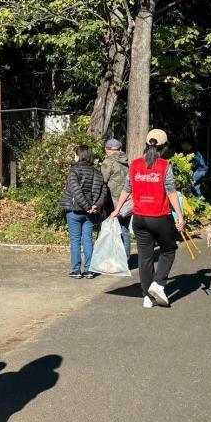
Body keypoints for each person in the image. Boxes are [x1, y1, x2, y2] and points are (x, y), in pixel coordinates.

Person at [109, 129, 185, 308]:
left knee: (145, 256)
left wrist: (117, 210)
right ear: (164, 147)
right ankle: (158, 284)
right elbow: (171, 191)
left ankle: (146, 296)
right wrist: (180, 216)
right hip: (159, 217)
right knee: (168, 250)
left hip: (140, 218)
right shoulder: (165, 165)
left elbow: (127, 189)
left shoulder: (135, 164)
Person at [59, 145, 108, 279]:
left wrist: (86, 206)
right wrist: (95, 206)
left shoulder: (73, 171)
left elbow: (76, 191)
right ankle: (89, 270)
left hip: (75, 211)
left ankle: (76, 270)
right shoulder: (97, 173)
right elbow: (103, 192)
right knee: (88, 239)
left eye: (75, 154)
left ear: (79, 155)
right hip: (91, 213)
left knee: (75, 240)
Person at [100, 138, 131, 258]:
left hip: (112, 201)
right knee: (124, 230)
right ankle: (125, 259)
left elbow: (103, 181)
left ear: (107, 149)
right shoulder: (127, 161)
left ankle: (112, 258)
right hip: (127, 201)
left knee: (111, 230)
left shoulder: (108, 162)